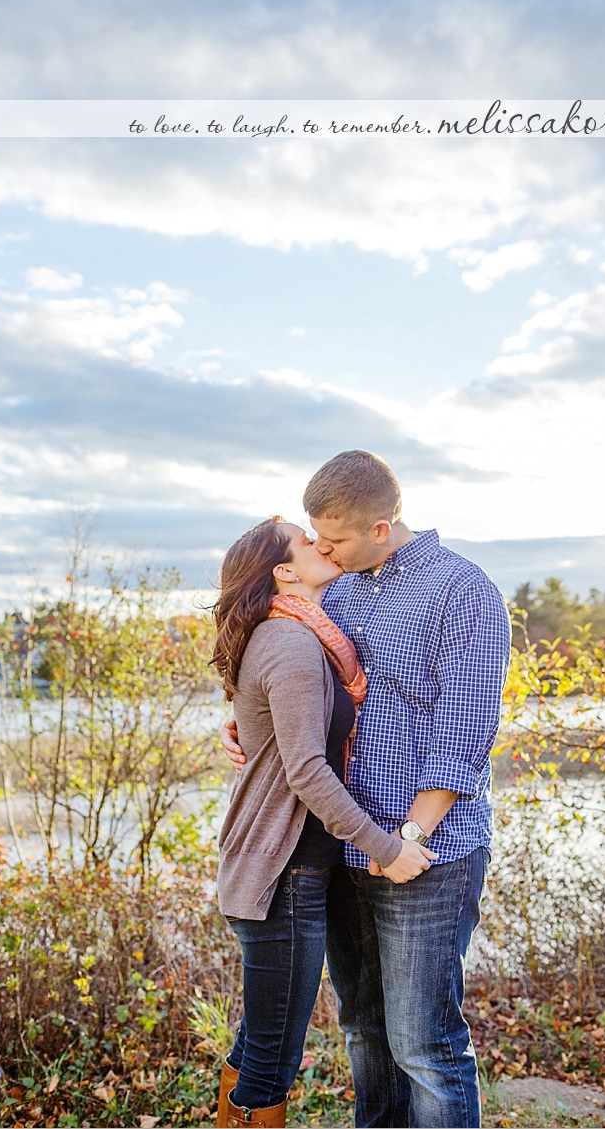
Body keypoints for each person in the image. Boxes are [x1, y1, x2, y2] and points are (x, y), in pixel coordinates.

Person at [221, 451, 512, 1129]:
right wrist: (245, 726)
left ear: (382, 526)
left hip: (424, 853)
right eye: (314, 536)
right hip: (343, 850)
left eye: (335, 538)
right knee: (364, 1033)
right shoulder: (342, 591)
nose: (321, 547)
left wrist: (404, 839)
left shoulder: (462, 590)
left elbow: (463, 736)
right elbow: (296, 692)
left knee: (425, 1046)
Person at [209, 515, 437, 1129]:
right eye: (306, 540)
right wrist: (385, 846)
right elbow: (307, 771)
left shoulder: (301, 632)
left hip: (288, 868)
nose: (321, 543)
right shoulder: (292, 643)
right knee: (271, 1059)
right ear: (285, 572)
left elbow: (281, 738)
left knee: (262, 1042)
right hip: (283, 875)